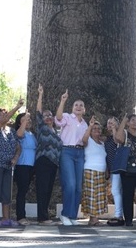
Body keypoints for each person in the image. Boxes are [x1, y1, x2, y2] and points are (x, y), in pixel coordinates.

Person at [0, 99, 24, 226]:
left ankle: (6, 218)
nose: (3, 117)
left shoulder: (11, 131)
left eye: (4, 115)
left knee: (6, 193)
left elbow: (18, 147)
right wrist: (17, 106)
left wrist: (15, 158)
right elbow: (3, 120)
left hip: (8, 166)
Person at [55, 89, 88, 226]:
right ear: (72, 108)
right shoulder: (68, 117)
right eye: (76, 105)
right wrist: (63, 100)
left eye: (81, 105)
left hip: (80, 153)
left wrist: (90, 128)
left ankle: (73, 215)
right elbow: (58, 119)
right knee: (70, 184)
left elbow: (85, 142)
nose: (78, 107)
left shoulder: (85, 124)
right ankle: (65, 214)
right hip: (67, 151)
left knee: (78, 187)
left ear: (84, 109)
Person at [34, 85, 62, 225]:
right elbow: (38, 111)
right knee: (42, 189)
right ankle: (42, 218)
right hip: (43, 160)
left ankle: (45, 216)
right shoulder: (42, 127)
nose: (48, 117)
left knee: (48, 190)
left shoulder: (57, 132)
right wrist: (40, 95)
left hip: (53, 163)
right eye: (46, 116)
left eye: (50, 115)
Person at [115, 113, 136, 226]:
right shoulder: (124, 133)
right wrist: (123, 121)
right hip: (128, 168)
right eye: (132, 120)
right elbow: (118, 139)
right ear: (128, 122)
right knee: (128, 194)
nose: (135, 122)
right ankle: (128, 219)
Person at [82, 117, 108, 226]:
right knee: (92, 195)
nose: (97, 130)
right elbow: (83, 140)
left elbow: (104, 158)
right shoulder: (88, 141)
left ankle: (94, 218)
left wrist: (107, 170)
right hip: (90, 170)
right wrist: (90, 126)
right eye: (94, 128)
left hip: (101, 172)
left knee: (99, 196)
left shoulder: (102, 144)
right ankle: (93, 219)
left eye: (98, 128)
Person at [12, 112, 37, 225]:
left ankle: (23, 215)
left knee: (25, 190)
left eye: (29, 120)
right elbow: (19, 135)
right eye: (25, 120)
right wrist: (25, 120)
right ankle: (20, 216)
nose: (28, 121)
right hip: (22, 165)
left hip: (31, 166)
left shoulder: (31, 134)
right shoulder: (20, 133)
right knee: (21, 191)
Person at [104, 116, 124, 226]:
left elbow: (118, 142)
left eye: (112, 122)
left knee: (115, 190)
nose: (110, 124)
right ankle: (120, 213)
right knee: (117, 191)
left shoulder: (121, 136)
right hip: (112, 168)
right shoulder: (107, 139)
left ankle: (118, 215)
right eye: (108, 123)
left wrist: (115, 130)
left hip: (120, 167)